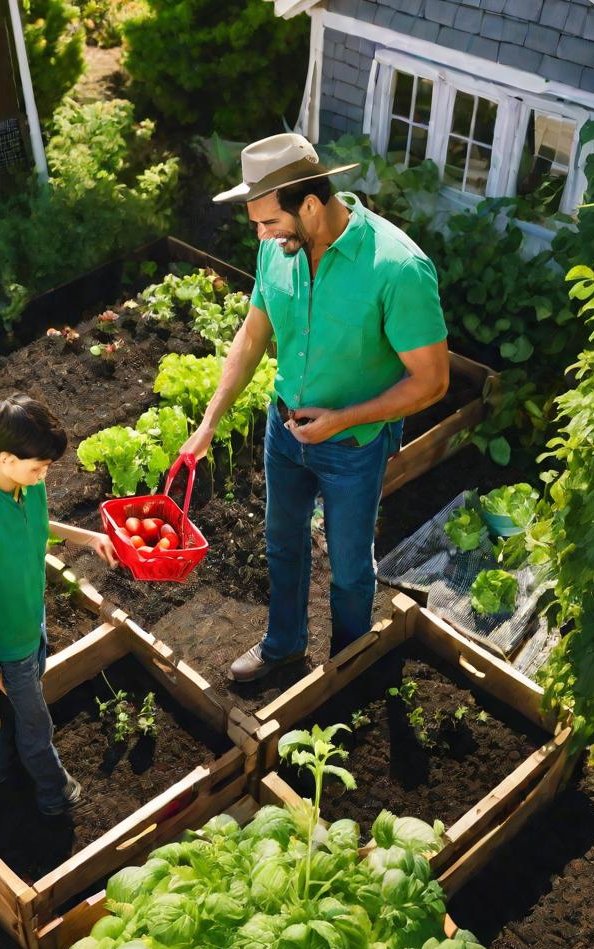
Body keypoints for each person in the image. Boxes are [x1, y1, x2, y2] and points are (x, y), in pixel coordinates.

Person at [181, 133, 449, 681]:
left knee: (350, 568)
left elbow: (433, 382)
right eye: (255, 224)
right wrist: (209, 421)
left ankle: (348, 665)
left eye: (267, 221)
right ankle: (283, 645)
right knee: (282, 545)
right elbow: (252, 335)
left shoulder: (396, 268)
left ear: (309, 204)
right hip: (285, 434)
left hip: (352, 446)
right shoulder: (278, 249)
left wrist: (344, 419)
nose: (260, 235)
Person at [0, 394, 117, 815]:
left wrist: (91, 537)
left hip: (30, 622)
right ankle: (53, 792)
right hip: (3, 644)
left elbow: (40, 527)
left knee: (7, 708)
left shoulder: (27, 485)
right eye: (37, 466)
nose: (44, 474)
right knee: (34, 723)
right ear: (6, 458)